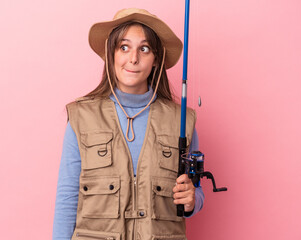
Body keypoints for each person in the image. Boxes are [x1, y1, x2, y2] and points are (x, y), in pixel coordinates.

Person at [53, 8, 204, 240]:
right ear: (111, 54)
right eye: (124, 47)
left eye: (144, 49)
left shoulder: (182, 120)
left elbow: (196, 192)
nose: (133, 58)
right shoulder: (81, 117)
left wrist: (193, 200)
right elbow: (67, 197)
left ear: (156, 60)